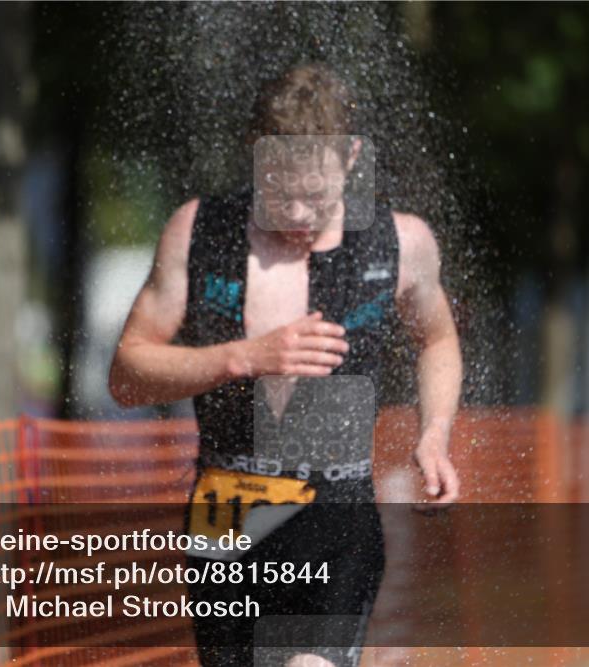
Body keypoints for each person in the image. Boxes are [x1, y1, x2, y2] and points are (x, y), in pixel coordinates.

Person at [109, 63, 462, 667]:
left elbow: (437, 340)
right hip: (226, 515)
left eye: (317, 197)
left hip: (337, 516)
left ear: (351, 158)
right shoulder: (199, 231)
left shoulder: (401, 242)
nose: (298, 214)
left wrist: (434, 434)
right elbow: (126, 376)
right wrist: (242, 356)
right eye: (279, 193)